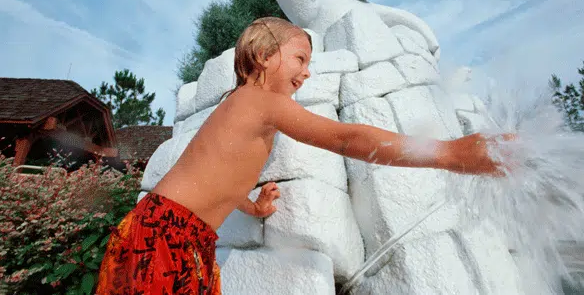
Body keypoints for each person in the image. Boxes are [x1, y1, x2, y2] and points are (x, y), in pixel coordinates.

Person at [96, 17, 511, 294]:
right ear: (263, 56)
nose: (307, 71)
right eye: (300, 58)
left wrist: (252, 205)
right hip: (165, 234)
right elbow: (346, 139)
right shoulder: (259, 101)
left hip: (172, 231)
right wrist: (446, 153)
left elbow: (212, 177)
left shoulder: (243, 111)